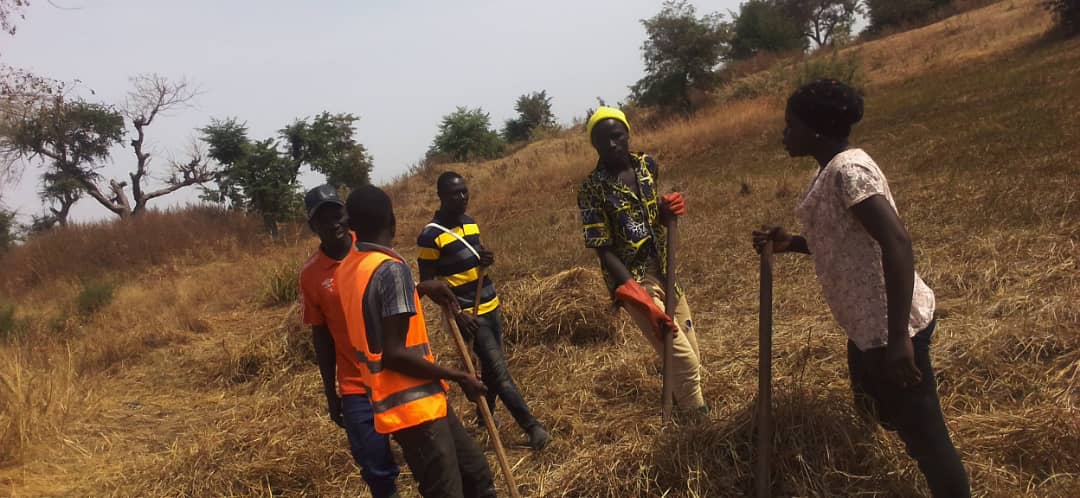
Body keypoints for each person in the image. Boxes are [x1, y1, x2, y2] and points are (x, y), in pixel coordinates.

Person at [752, 79, 970, 497]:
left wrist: (899, 342)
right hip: (866, 327)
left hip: (891, 328)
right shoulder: (829, 169)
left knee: (925, 437)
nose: (784, 134)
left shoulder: (848, 172)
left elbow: (897, 243)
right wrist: (791, 243)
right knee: (871, 409)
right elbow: (845, 242)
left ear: (814, 129)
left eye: (790, 124)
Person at [337, 184, 497, 498]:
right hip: (411, 407)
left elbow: (375, 310)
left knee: (476, 475)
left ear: (352, 226)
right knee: (446, 490)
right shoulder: (390, 270)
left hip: (421, 399)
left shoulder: (350, 267)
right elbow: (394, 353)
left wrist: (420, 288)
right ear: (393, 221)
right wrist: (459, 376)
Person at [577, 106, 708, 418]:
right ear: (594, 145)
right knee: (683, 361)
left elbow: (651, 219)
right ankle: (701, 426)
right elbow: (603, 248)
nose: (611, 145)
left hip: (665, 266)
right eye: (602, 140)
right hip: (634, 281)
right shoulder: (592, 189)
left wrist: (667, 212)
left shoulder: (647, 166)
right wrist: (639, 297)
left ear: (627, 134)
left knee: (692, 351)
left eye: (616, 136)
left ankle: (680, 411)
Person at [417, 171, 550, 450]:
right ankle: (532, 427)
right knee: (500, 373)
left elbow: (475, 261)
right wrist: (456, 313)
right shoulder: (430, 236)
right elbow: (427, 284)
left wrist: (485, 258)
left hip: (491, 305)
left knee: (491, 370)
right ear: (441, 197)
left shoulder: (470, 224)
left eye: (465, 191)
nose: (462, 197)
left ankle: (482, 415)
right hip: (468, 316)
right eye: (455, 193)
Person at [298, 185, 400, 498]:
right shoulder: (312, 275)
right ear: (313, 226)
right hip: (356, 384)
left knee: (428, 458)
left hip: (396, 373)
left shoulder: (374, 251)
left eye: (338, 214)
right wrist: (332, 394)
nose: (334, 223)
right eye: (324, 219)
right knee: (374, 466)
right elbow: (321, 336)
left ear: (348, 215)